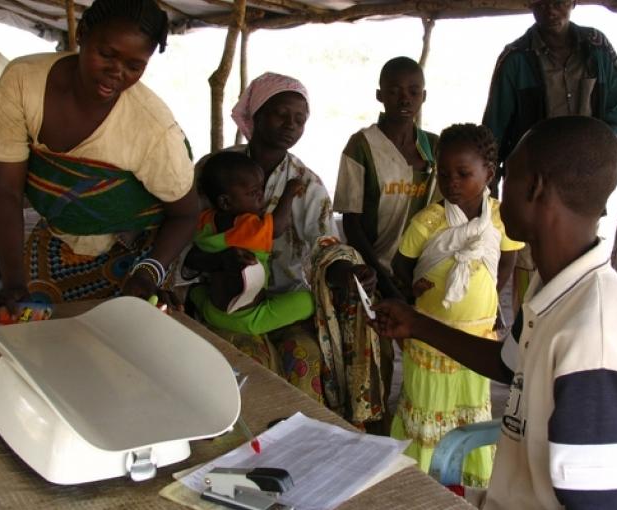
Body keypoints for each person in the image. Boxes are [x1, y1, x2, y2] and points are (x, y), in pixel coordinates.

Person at [371, 116, 617, 509]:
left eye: (507, 175)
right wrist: (417, 324)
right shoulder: (556, 292)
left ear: (536, 187)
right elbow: (508, 364)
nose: (497, 188)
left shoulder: (593, 338)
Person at [186, 73, 385, 427]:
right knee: (248, 361)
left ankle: (300, 447)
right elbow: (187, 236)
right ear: (256, 114)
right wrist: (217, 260)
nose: (291, 125)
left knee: (305, 357)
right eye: (281, 114)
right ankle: (246, 448)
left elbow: (325, 245)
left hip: (284, 301)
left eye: (300, 119)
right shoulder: (213, 169)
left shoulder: (307, 185)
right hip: (225, 298)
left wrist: (348, 273)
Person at [0, 0, 198, 320]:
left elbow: (185, 214)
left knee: (117, 353)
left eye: (134, 66)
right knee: (34, 337)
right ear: (82, 33)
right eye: (107, 54)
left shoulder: (152, 131)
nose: (116, 73)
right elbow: (5, 190)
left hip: (136, 254)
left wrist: (147, 272)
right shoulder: (23, 82)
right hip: (57, 238)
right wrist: (14, 282)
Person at [389, 123, 522, 481]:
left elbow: (506, 259)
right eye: (443, 174)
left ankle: (463, 475)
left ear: (489, 174)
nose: (451, 183)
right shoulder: (429, 221)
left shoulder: (499, 219)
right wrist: (408, 289)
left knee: (468, 406)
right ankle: (417, 479)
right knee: (426, 404)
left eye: (463, 174)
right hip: (429, 334)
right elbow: (400, 264)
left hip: (478, 334)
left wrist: (492, 296)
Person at [483, 0, 617, 195]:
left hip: (587, 176)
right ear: (530, 5)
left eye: (558, 2)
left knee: (583, 225)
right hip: (533, 180)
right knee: (532, 225)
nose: (550, 11)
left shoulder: (598, 49)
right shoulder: (515, 59)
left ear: (573, 2)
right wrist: (488, 177)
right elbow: (495, 125)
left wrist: (604, 150)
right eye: (541, 4)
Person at [333, 56, 438, 301]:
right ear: (380, 96)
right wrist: (380, 277)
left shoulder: (435, 146)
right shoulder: (362, 146)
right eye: (394, 91)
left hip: (422, 269)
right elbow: (351, 222)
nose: (405, 99)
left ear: (423, 96)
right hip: (374, 268)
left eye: (413, 92)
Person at [188, 151, 314, 335]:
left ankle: (193, 296)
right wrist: (289, 191)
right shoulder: (248, 226)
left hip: (212, 311)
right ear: (225, 202)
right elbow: (278, 226)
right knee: (308, 301)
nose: (261, 197)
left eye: (261, 190)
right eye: (253, 193)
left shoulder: (205, 222)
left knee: (197, 291)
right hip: (248, 318)